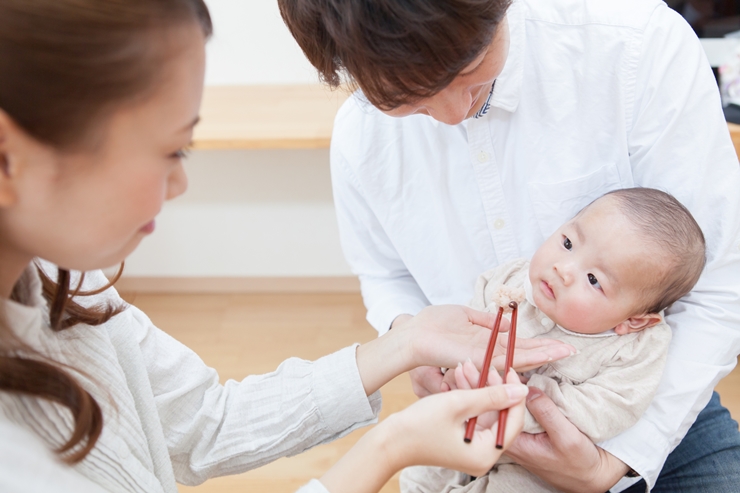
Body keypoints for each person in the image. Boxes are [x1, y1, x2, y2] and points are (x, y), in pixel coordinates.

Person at [0, 1, 582, 492]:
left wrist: (401, 345)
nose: (179, 185)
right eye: (171, 151)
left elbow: (203, 422)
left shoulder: (64, 284)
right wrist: (391, 445)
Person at [278, 0, 740, 491]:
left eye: (469, 66)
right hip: (470, 411)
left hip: (646, 406)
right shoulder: (358, 136)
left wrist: (615, 459)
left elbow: (717, 286)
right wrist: (412, 337)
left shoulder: (635, 44)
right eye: (409, 99)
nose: (456, 114)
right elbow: (385, 275)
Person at [401, 188, 706, 492]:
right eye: (568, 243)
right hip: (463, 409)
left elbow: (606, 410)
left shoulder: (636, 348)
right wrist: (452, 361)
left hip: (540, 459)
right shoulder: (514, 278)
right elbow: (474, 311)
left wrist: (521, 399)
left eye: (594, 280)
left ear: (633, 320)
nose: (563, 268)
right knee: (421, 456)